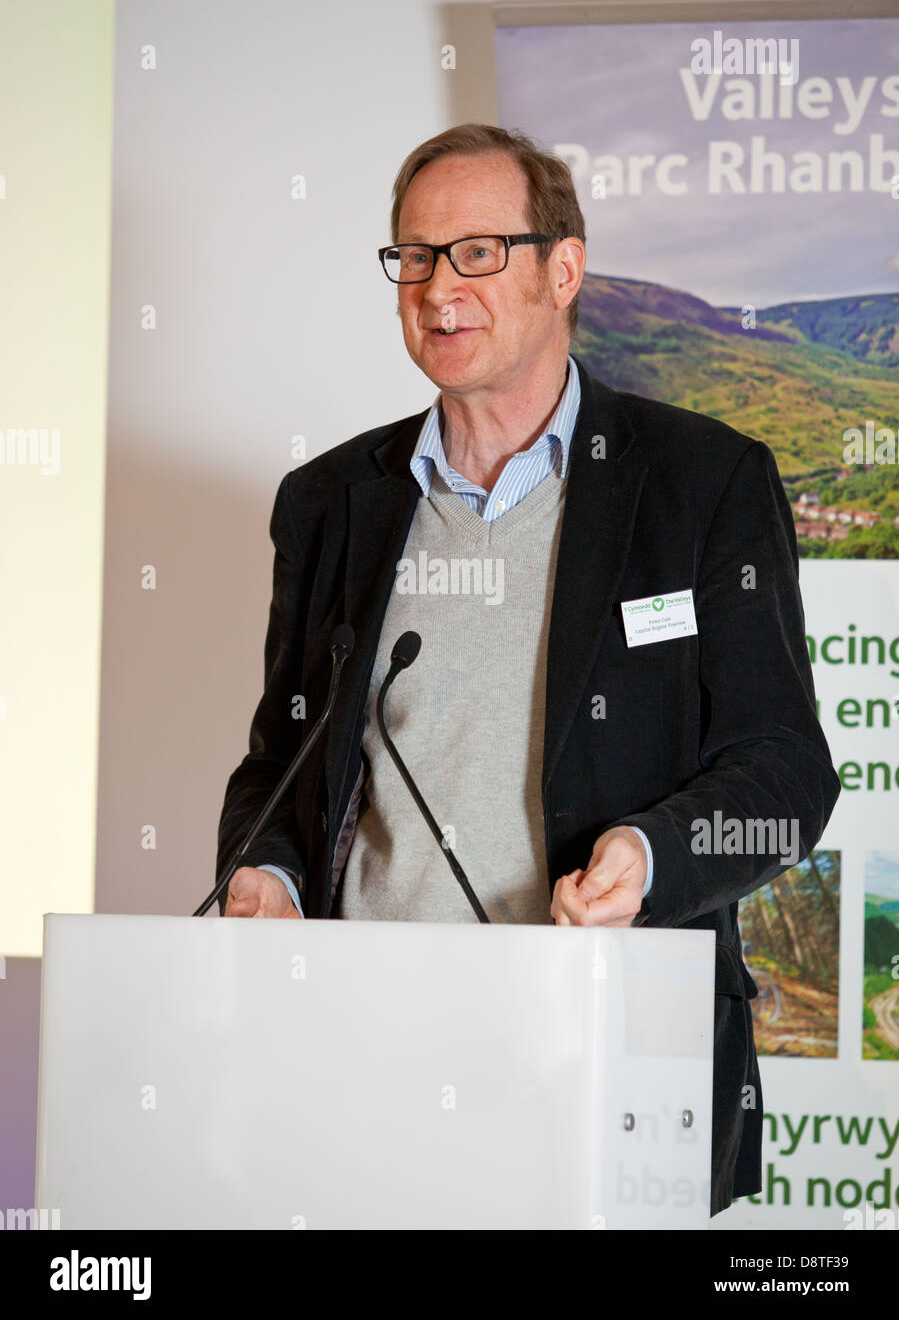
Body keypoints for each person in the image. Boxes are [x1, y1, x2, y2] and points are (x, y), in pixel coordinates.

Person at [216, 123, 841, 1216]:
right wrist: (265, 871)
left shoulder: (701, 482)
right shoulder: (327, 503)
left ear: (562, 269)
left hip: (602, 1056)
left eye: (474, 252)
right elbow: (284, 758)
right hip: (360, 1054)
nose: (435, 286)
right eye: (412, 255)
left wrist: (646, 857)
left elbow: (783, 768)